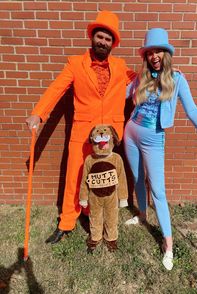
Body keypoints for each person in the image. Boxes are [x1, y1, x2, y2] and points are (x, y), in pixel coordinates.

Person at [26, 10, 136, 244]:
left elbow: (142, 81)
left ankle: (92, 214)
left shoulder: (121, 66)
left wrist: (166, 73)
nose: (103, 42)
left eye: (108, 39)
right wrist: (38, 114)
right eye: (100, 37)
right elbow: (56, 89)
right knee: (75, 177)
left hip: (109, 136)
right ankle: (66, 222)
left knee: (103, 176)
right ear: (92, 37)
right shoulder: (75, 64)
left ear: (113, 43)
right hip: (82, 133)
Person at [123, 28, 197, 270]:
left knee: (158, 190)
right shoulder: (141, 78)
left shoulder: (177, 79)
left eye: (158, 51)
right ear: (145, 56)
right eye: (150, 52)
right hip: (131, 134)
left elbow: (192, 110)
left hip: (154, 140)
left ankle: (168, 245)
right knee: (137, 179)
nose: (154, 55)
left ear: (166, 53)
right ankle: (143, 215)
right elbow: (123, 92)